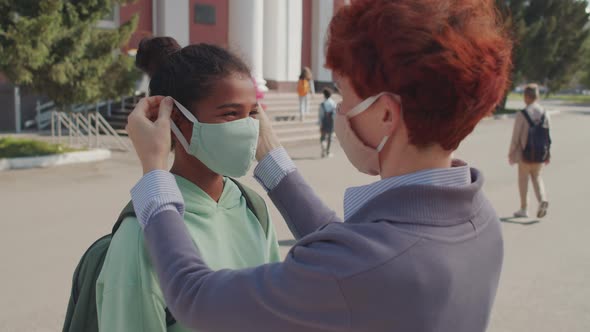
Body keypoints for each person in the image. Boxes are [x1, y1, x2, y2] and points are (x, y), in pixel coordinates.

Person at [124, 0, 513, 331]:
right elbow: (348, 250)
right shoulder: (480, 221)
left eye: (345, 94)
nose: (340, 109)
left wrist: (155, 174)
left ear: (386, 115)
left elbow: (196, 298)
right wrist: (271, 158)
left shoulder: (366, 268)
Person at [95, 37, 281, 332]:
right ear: (177, 120)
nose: (247, 128)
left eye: (252, 114)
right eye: (231, 114)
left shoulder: (252, 207)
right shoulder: (139, 236)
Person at [509, 83, 551, 218]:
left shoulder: (522, 114)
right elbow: (548, 136)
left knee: (523, 180)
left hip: (525, 154)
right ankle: (542, 199)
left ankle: (524, 208)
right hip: (540, 153)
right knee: (537, 177)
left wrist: (511, 153)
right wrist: (548, 153)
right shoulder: (545, 113)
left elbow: (516, 137)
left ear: (526, 97)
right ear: (537, 96)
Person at [318, 88, 337, 158]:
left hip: (324, 121)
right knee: (330, 137)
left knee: (323, 137)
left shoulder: (322, 104)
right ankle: (328, 151)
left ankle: (323, 147)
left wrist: (320, 124)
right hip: (331, 121)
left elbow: (320, 116)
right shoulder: (333, 103)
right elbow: (335, 114)